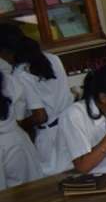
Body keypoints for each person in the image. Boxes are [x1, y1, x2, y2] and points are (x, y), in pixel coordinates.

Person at [12, 35, 72, 176]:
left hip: (50, 136)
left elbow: (40, 117)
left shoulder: (21, 74)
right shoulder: (54, 58)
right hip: (70, 126)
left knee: (52, 180)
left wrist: (18, 126)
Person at [0, 27, 41, 188]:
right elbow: (20, 113)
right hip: (16, 140)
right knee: (30, 189)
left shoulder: (11, 76)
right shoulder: (10, 79)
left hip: (10, 143)